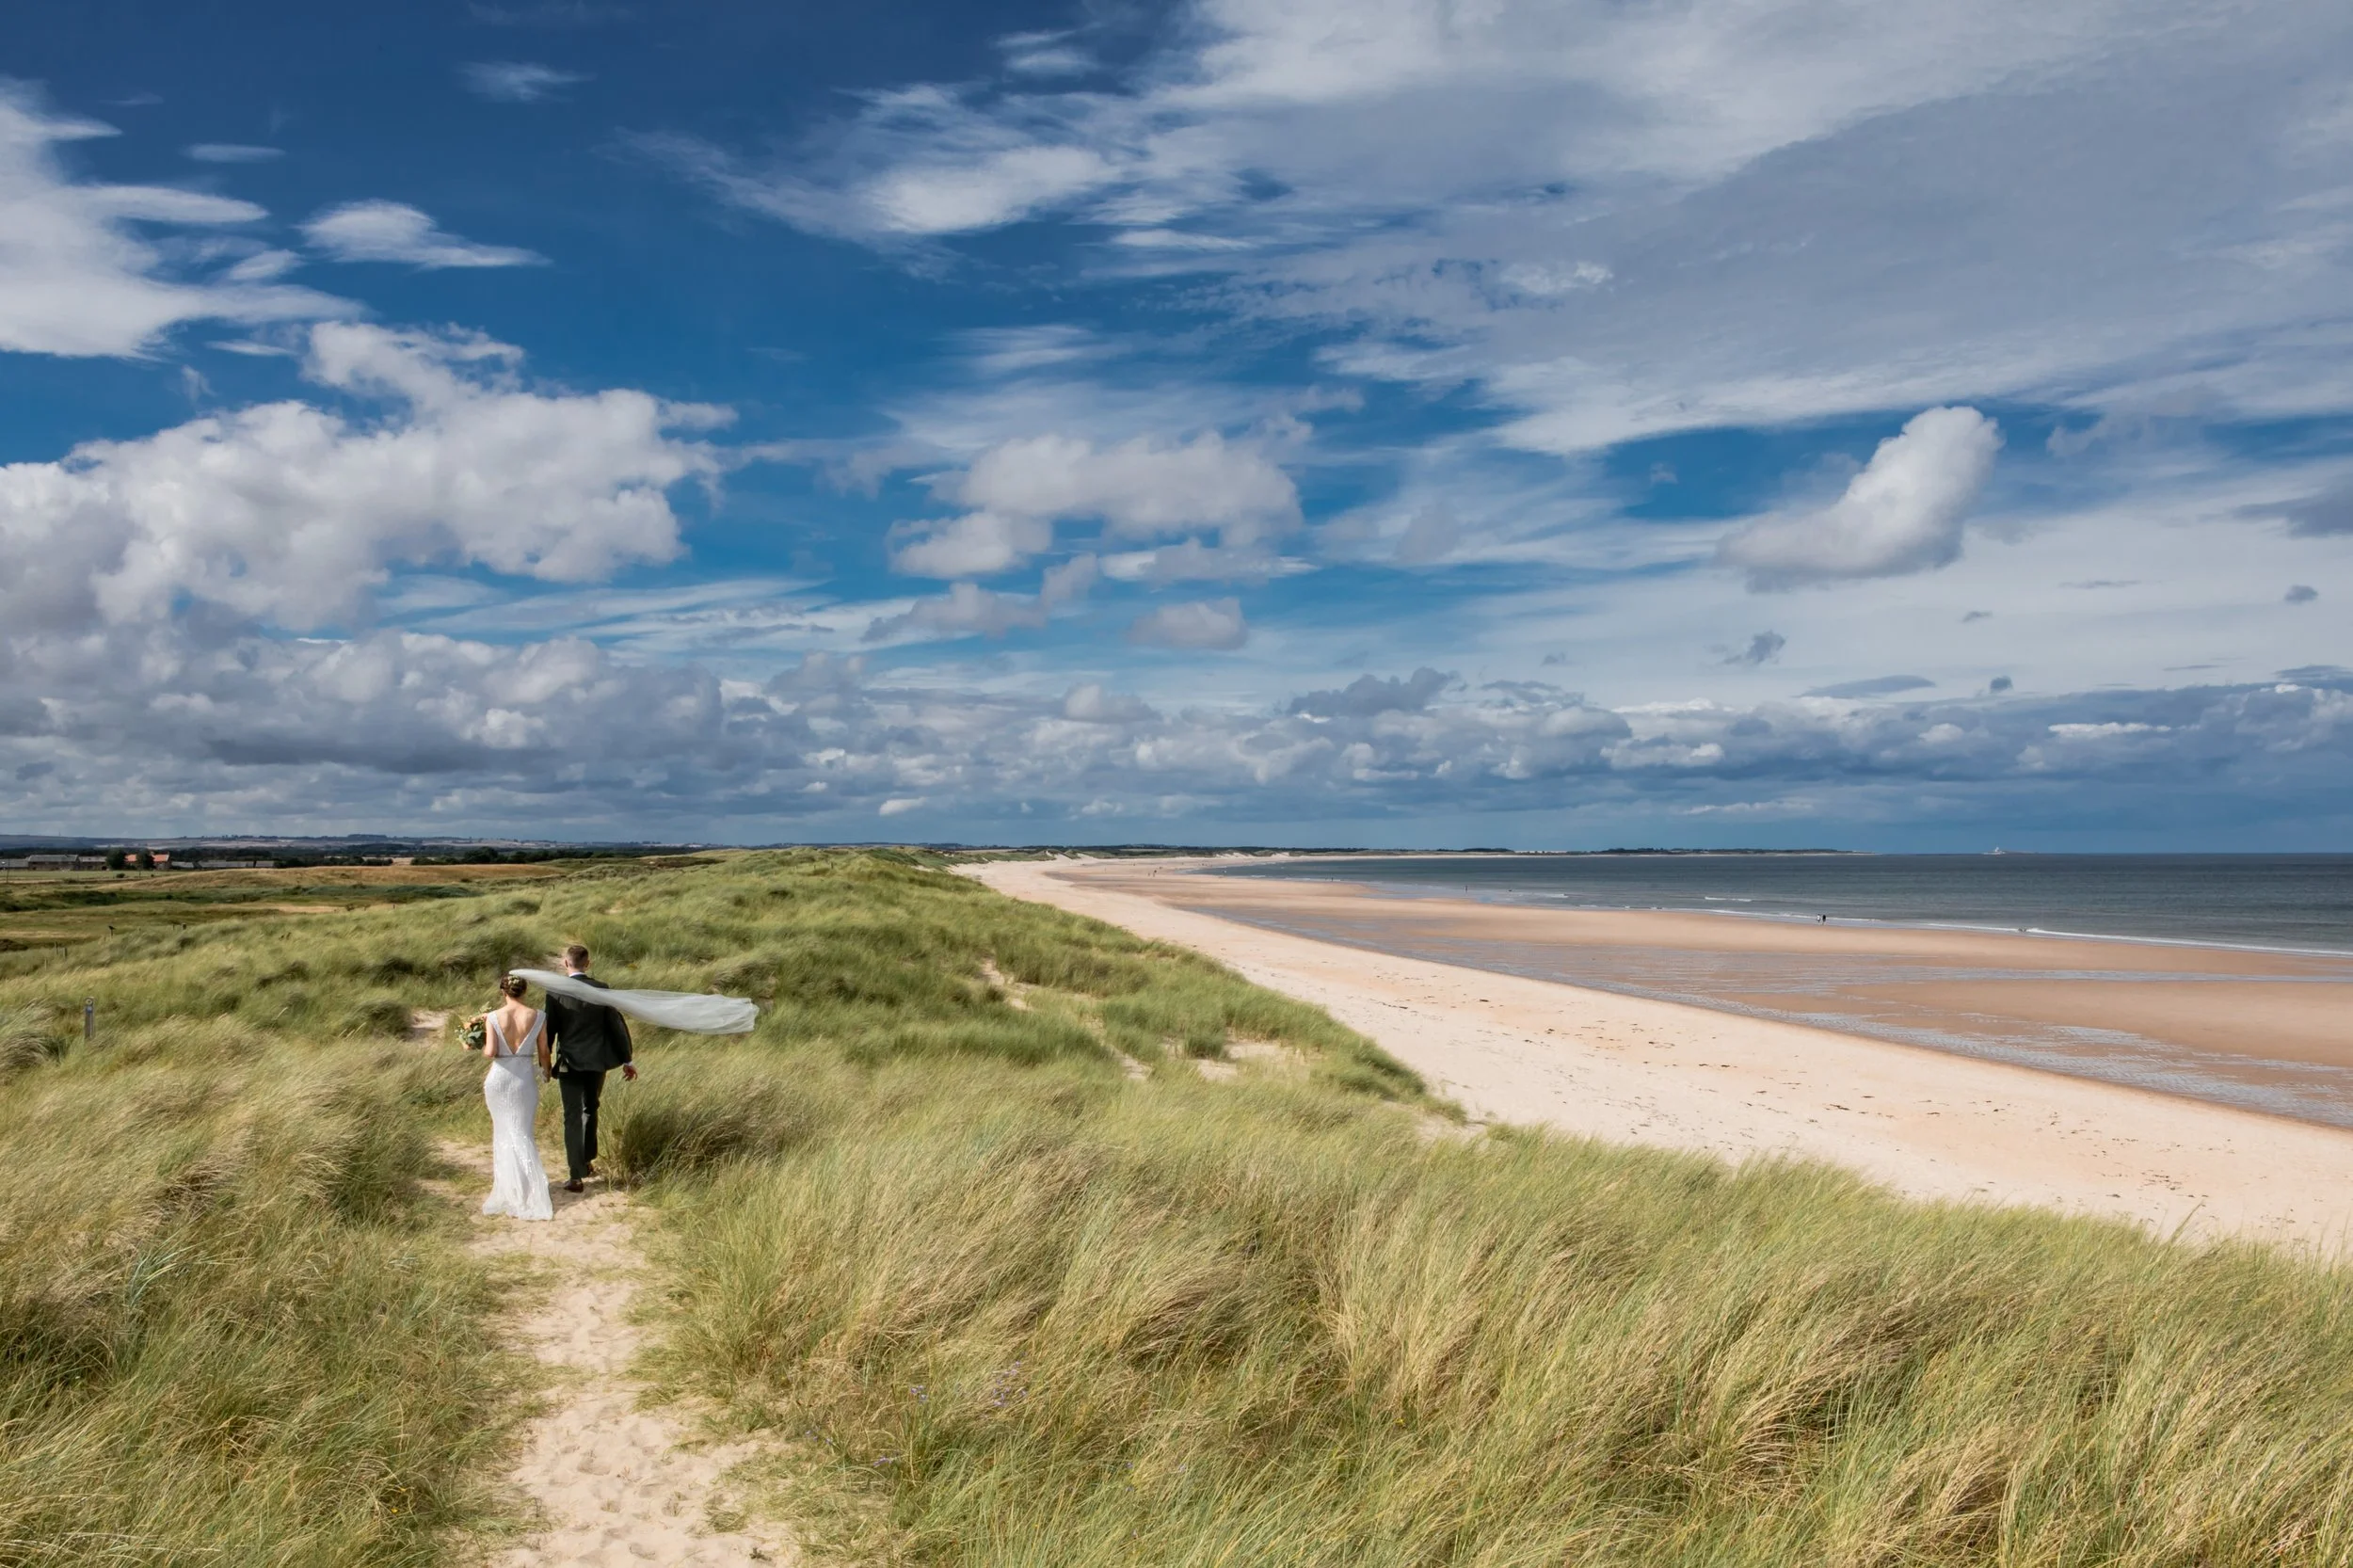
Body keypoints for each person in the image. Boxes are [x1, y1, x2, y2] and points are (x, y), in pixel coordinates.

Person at [543, 943, 634, 1194]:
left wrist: (545, 1062)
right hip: (596, 1062)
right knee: (590, 1109)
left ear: (565, 963)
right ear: (588, 963)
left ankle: (576, 1176)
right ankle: (587, 1161)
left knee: (571, 1117)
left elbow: (549, 1030)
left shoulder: (555, 991)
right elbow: (615, 1025)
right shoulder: (602, 989)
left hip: (569, 1063)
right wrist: (627, 1059)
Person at [477, 974, 554, 1222]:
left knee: (503, 1131)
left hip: (499, 1079)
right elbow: (544, 1051)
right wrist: (547, 1071)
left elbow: (489, 1052)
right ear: (524, 991)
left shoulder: (492, 1017)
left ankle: (511, 1188)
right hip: (523, 1080)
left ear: (503, 992)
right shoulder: (539, 1016)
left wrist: (473, 1044)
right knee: (522, 1132)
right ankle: (529, 1188)